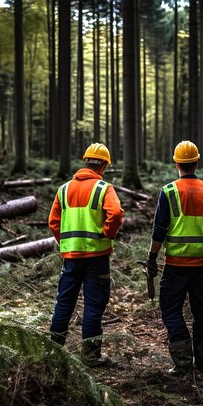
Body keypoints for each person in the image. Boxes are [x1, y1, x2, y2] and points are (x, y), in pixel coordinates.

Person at [146, 140, 203, 376]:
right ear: (196, 162)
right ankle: (201, 363)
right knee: (201, 309)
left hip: (176, 264)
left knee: (170, 310)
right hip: (202, 263)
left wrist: (152, 256)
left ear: (177, 163)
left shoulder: (168, 192)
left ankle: (182, 362)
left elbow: (159, 229)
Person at [48, 143, 124, 367]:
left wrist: (66, 242)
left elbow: (53, 222)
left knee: (64, 302)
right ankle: (91, 356)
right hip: (97, 257)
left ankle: (54, 352)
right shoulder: (104, 189)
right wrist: (107, 233)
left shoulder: (64, 189)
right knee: (93, 304)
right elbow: (117, 213)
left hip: (71, 257)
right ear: (103, 165)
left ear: (86, 162)